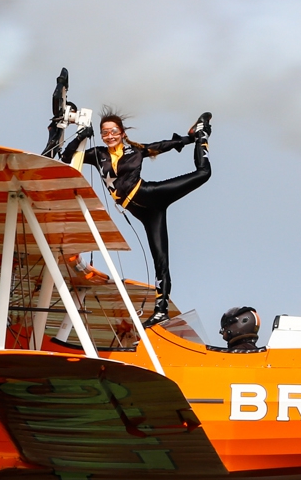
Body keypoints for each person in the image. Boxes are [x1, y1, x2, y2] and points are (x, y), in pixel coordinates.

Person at [59, 101, 212, 322]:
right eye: (105, 133)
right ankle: (161, 311)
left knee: (204, 173)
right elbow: (67, 158)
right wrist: (81, 136)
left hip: (151, 195)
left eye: (114, 131)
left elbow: (162, 145)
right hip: (145, 214)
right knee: (160, 261)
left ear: (122, 133)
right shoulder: (97, 154)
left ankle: (202, 134)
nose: (110, 136)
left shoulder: (136, 150)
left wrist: (190, 139)